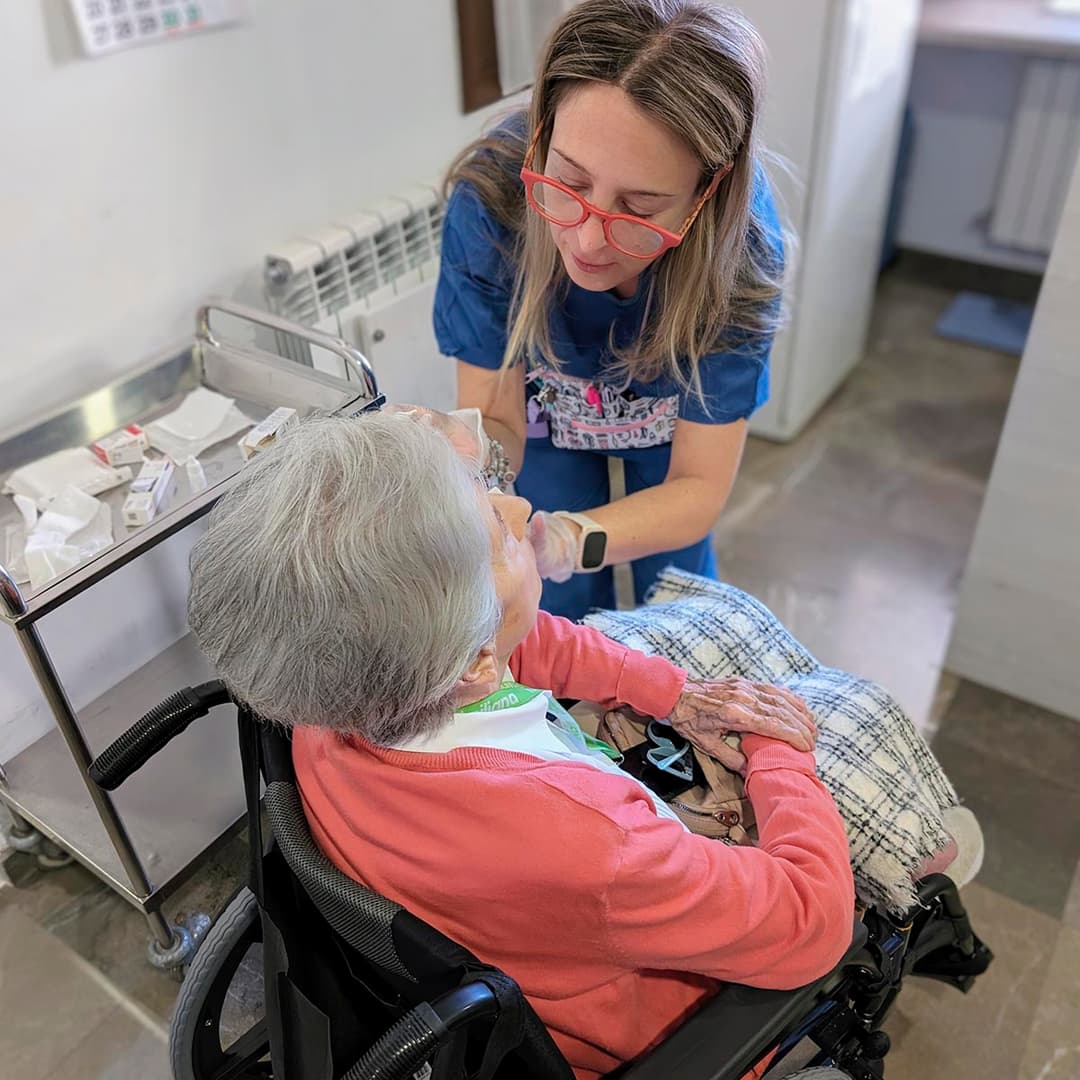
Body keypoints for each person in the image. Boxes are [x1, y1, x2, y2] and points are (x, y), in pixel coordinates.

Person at [187, 412, 855, 1080]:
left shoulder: (336, 688)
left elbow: (518, 638)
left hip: (504, 927)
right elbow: (812, 921)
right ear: (473, 660)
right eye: (500, 532)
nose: (521, 505)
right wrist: (775, 743)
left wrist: (669, 691)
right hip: (653, 1023)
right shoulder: (597, 842)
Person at [435, 0, 786, 621]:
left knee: (677, 594)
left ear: (708, 192)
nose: (590, 243)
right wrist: (458, 451)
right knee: (553, 591)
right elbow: (500, 422)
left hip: (668, 433)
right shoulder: (492, 204)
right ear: (541, 133)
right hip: (550, 420)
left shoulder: (741, 256)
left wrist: (578, 539)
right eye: (568, 184)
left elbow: (696, 490)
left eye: (641, 209)